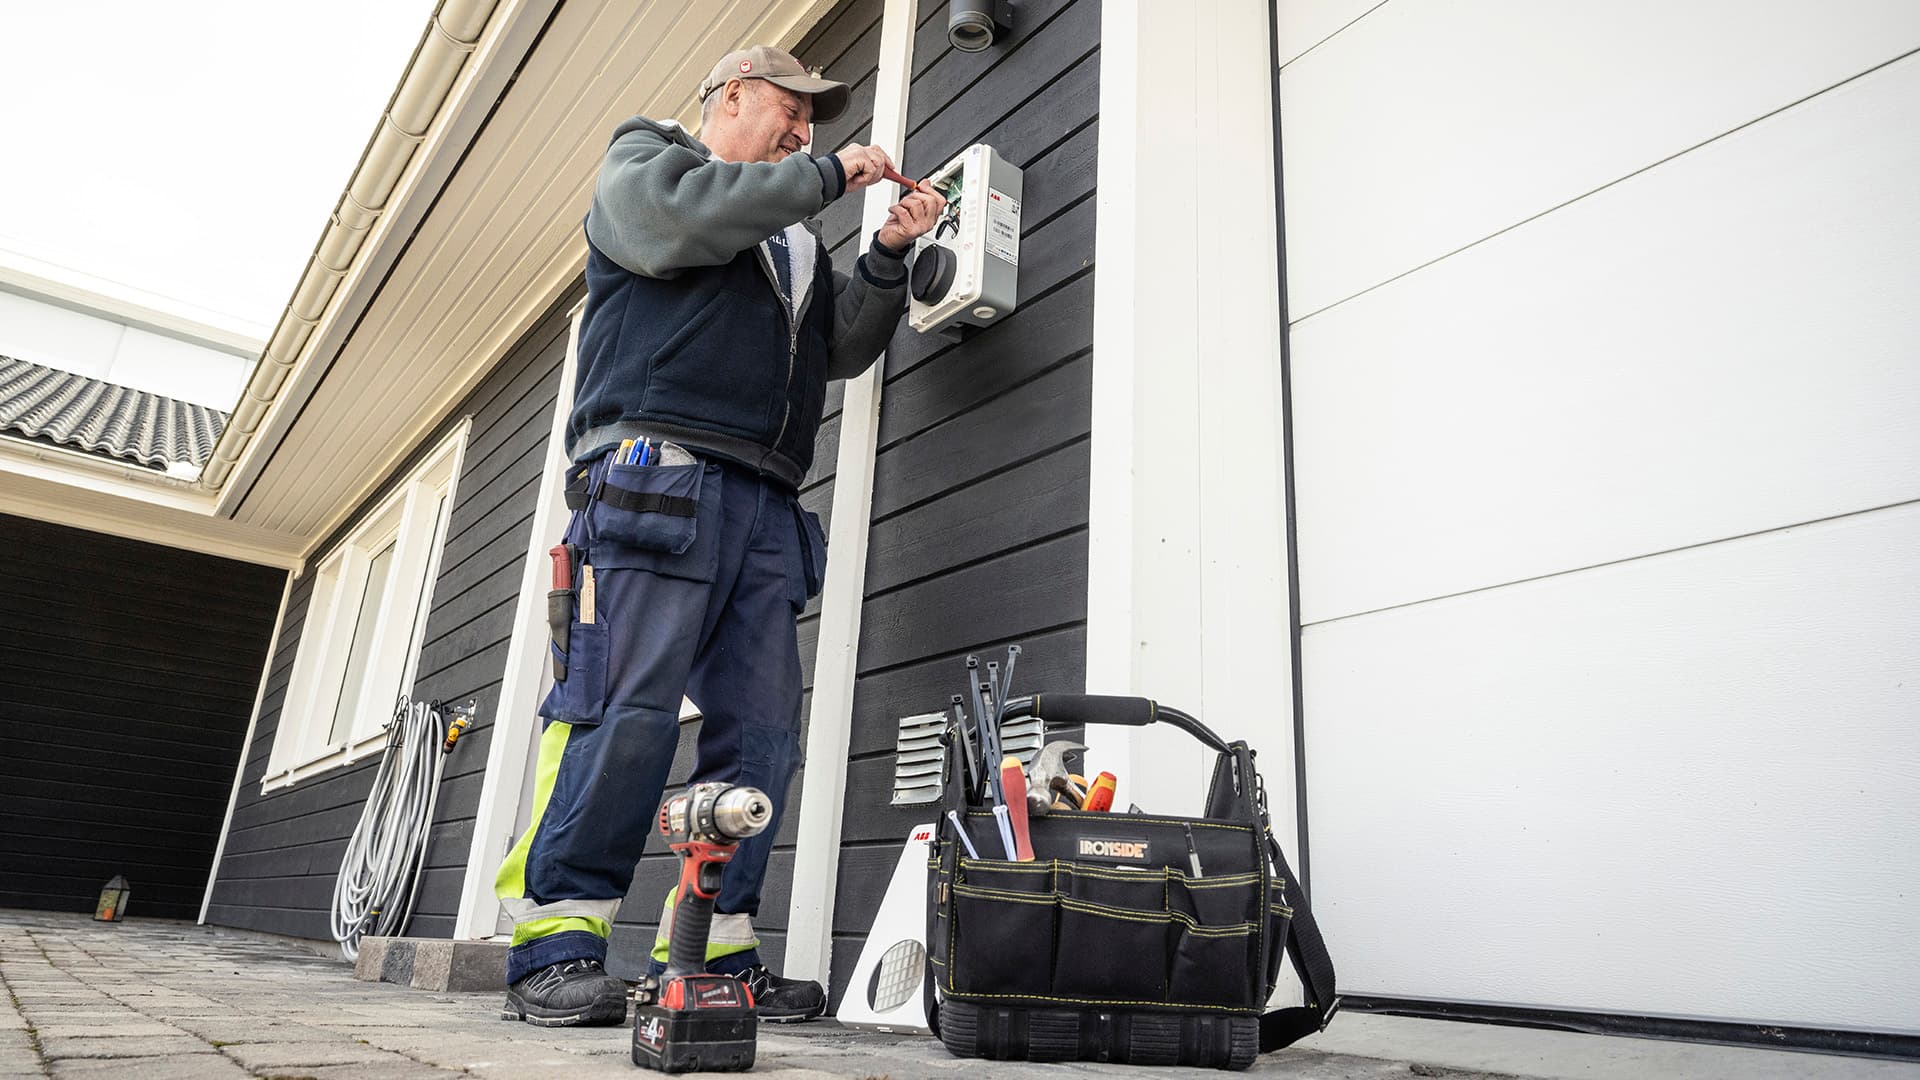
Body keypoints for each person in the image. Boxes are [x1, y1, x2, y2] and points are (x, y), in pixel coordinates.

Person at [493, 44, 945, 1027]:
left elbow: (838, 349)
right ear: (731, 96)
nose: (803, 133)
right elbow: (679, 222)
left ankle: (716, 948)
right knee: (625, 711)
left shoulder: (791, 243)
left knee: (764, 735)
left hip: (765, 502)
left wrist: (884, 255)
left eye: (813, 125)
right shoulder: (646, 163)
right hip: (657, 479)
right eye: (791, 111)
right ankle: (555, 944)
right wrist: (827, 175)